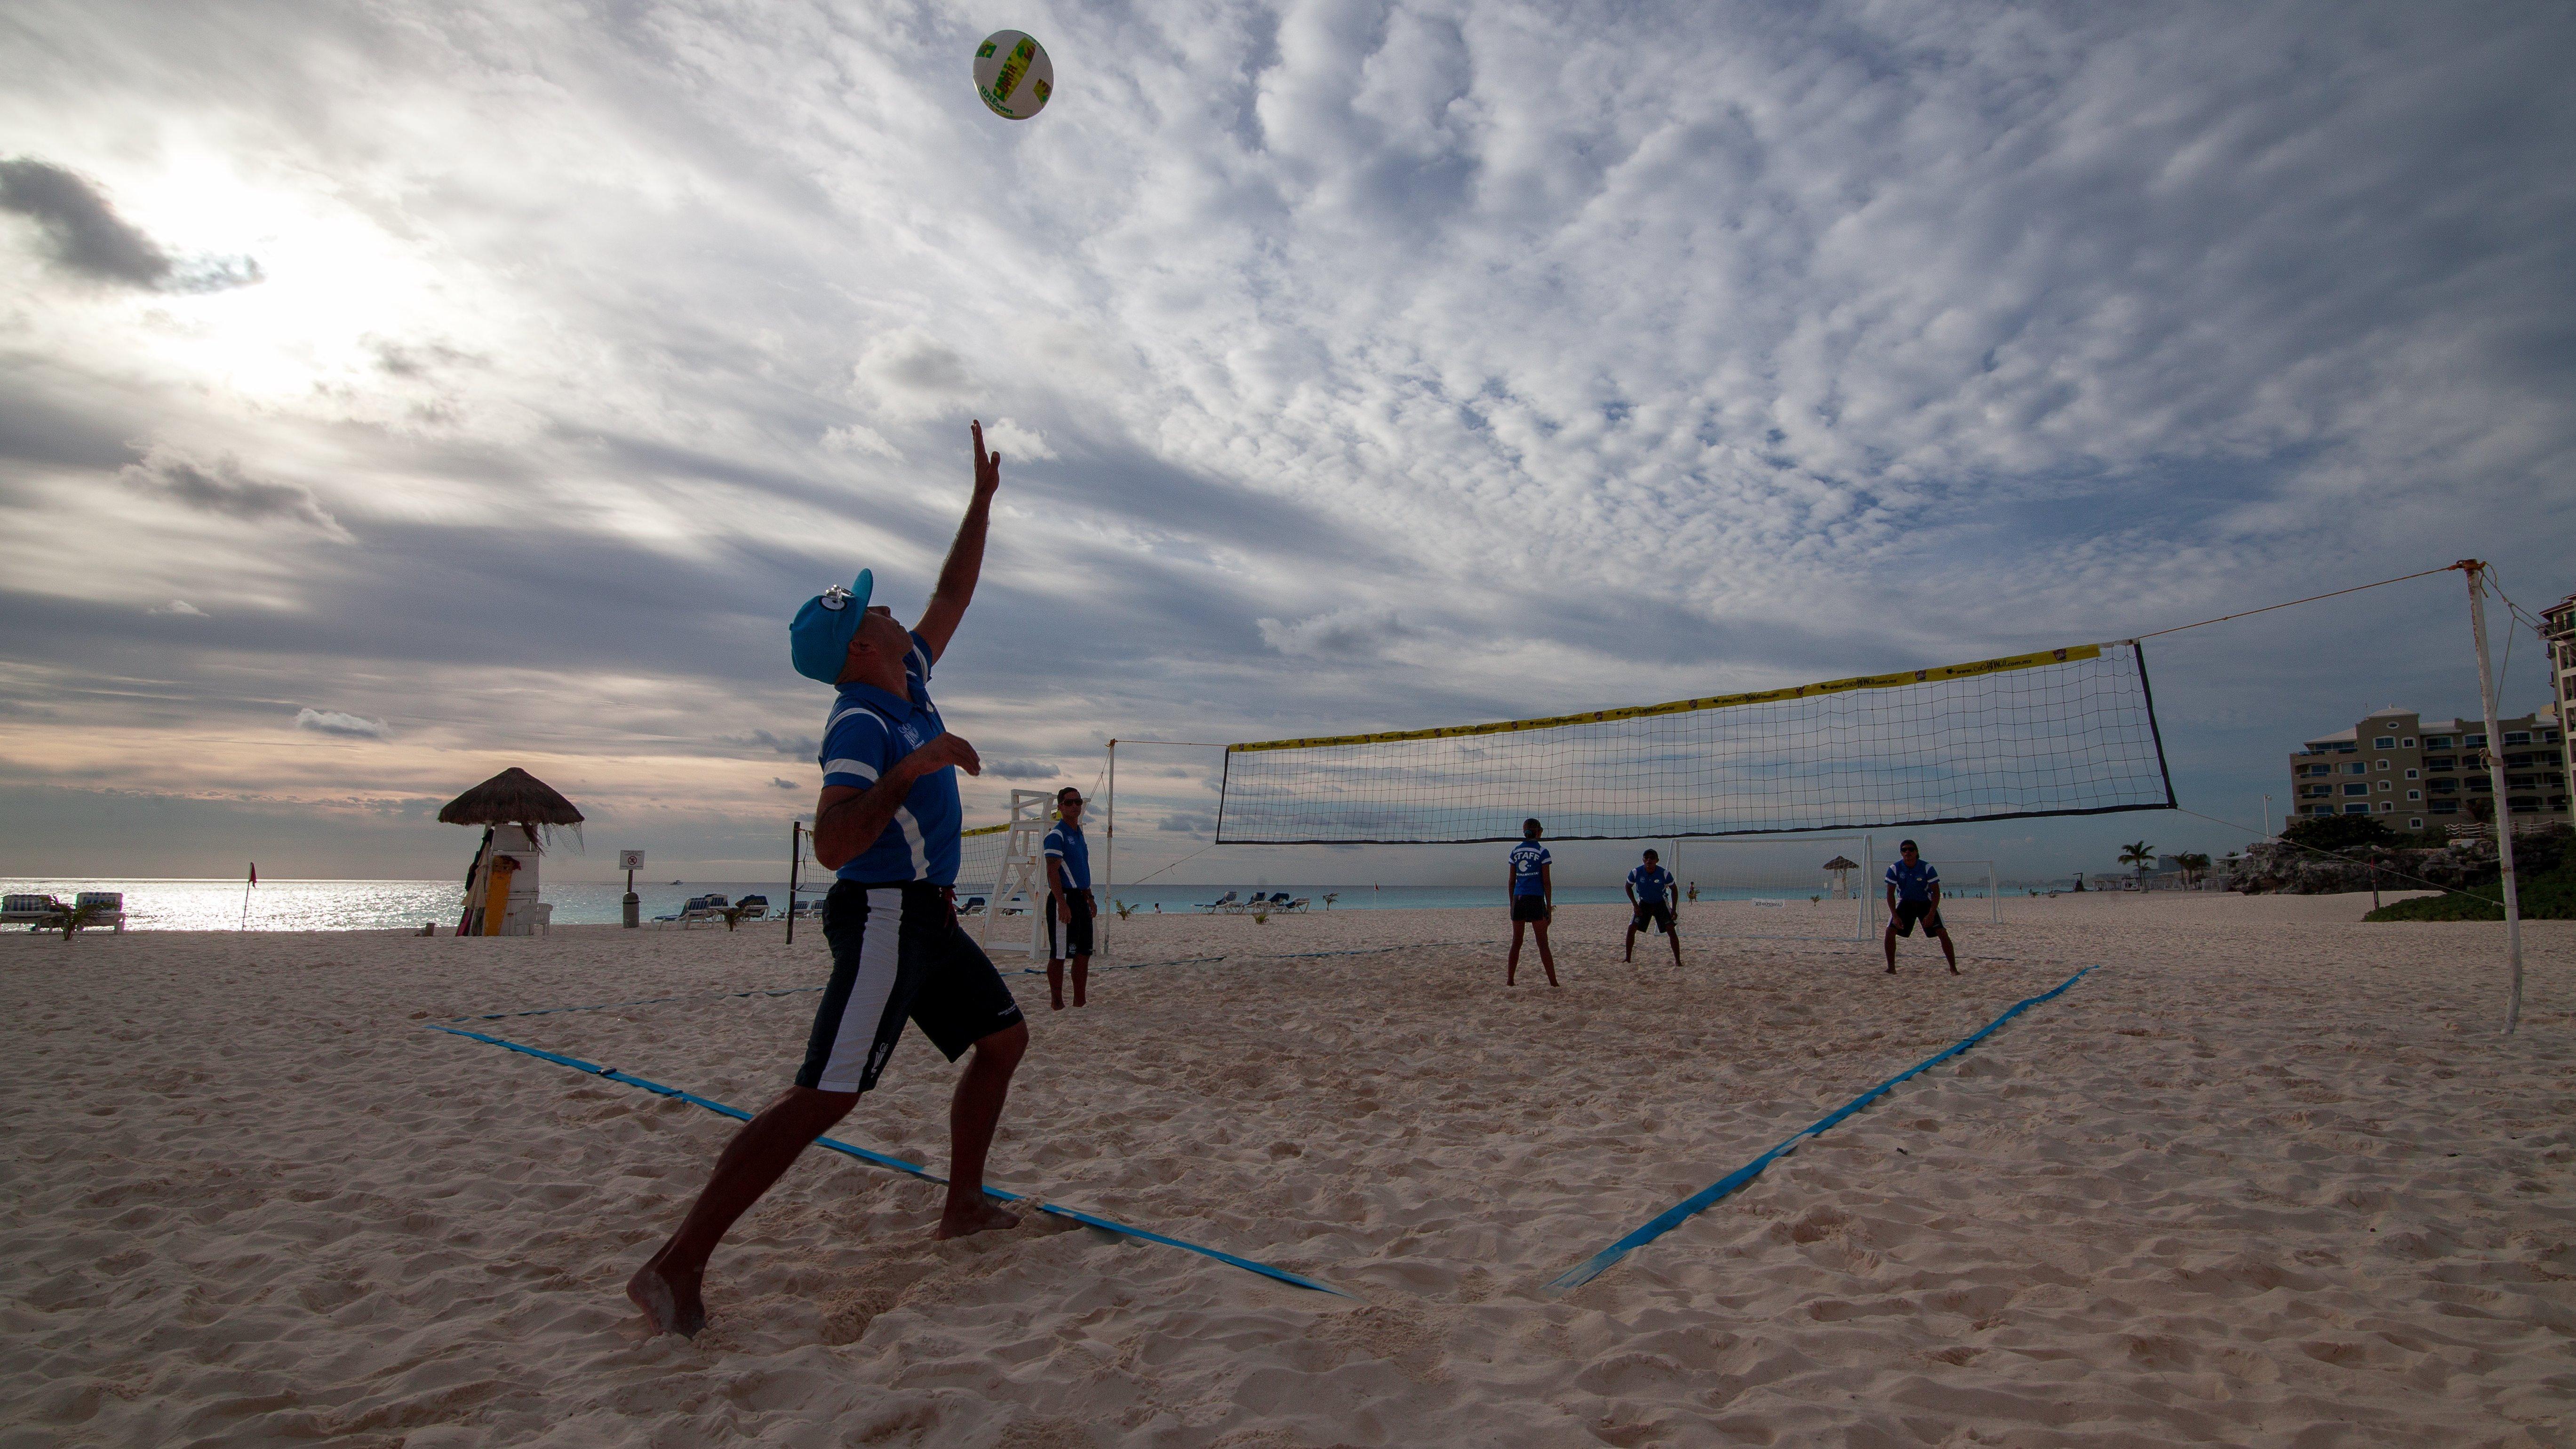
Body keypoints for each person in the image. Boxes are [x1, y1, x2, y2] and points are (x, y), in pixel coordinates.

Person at [627, 422, 1028, 1338]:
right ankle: (673, 1264)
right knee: (826, 1095)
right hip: (884, 915)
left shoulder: (910, 675)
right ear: (858, 647)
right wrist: (912, 769)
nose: (890, 615)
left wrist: (981, 502)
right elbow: (833, 844)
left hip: (929, 919)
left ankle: (961, 1203)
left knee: (1002, 1043)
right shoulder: (861, 723)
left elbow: (952, 591)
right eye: (873, 613)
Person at [1043, 785, 1096, 1010]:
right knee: (1060, 953)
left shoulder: (1079, 833)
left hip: (1081, 897)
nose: (1075, 806)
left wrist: (1090, 897)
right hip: (1064, 898)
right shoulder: (1056, 835)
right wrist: (1062, 904)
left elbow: (1081, 869)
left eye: (1078, 802)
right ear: (1060, 807)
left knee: (1084, 952)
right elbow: (1052, 871)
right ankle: (1057, 1002)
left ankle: (1080, 1001)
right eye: (1069, 803)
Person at [1882, 838, 1958, 974]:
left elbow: (1936, 892)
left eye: (1911, 850)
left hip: (1925, 903)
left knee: (1942, 932)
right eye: (1904, 850)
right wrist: (1895, 915)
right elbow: (1890, 894)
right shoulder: (1895, 868)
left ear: (1917, 852)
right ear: (1901, 853)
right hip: (1905, 903)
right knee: (1890, 931)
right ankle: (1891, 968)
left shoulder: (1926, 868)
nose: (1908, 852)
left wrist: (1931, 914)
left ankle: (1953, 969)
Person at [1505, 817, 1558, 987]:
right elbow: (1547, 882)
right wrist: (1548, 907)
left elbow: (1512, 882)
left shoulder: (1515, 851)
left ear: (1524, 832)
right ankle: (1553, 983)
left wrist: (1512, 904)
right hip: (1535, 899)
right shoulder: (1543, 852)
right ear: (1538, 832)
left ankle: (1510, 980)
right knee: (1543, 943)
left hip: (1519, 899)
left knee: (1516, 942)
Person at [1624, 847, 1683, 966]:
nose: (1649, 860)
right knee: (1632, 929)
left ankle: (1678, 961)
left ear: (1657, 860)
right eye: (1646, 858)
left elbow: (1674, 889)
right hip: (1644, 903)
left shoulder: (1664, 874)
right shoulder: (1636, 872)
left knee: (1671, 930)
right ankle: (1628, 958)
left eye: (1652, 858)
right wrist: (1635, 905)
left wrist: (1674, 909)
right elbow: (1628, 887)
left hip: (1660, 903)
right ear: (1643, 860)